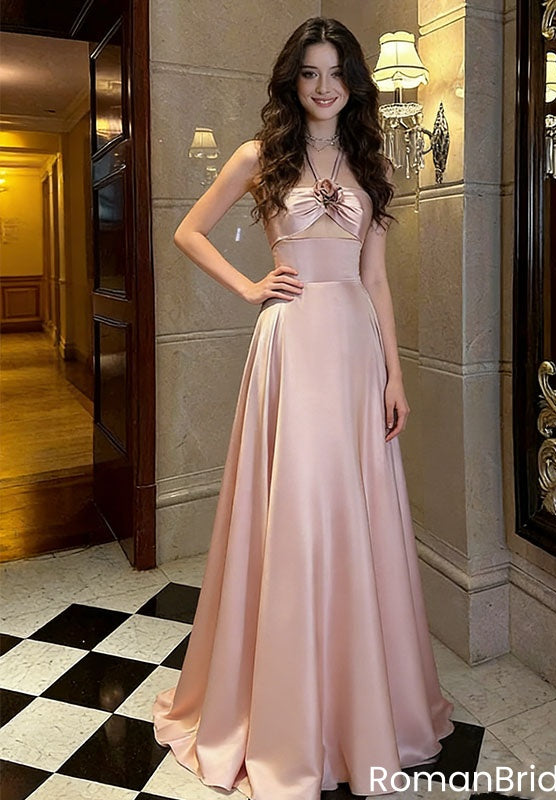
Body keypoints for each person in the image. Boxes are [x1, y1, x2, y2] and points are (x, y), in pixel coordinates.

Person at [152, 15, 454, 800]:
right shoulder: (259, 155)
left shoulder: (370, 163)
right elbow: (188, 231)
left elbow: (376, 279)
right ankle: (286, 714)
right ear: (293, 80)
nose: (325, 87)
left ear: (354, 83)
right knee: (292, 508)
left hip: (354, 350)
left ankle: (358, 706)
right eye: (311, 72)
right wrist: (250, 286)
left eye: (337, 72)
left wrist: (394, 375)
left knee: (354, 512)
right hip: (290, 348)